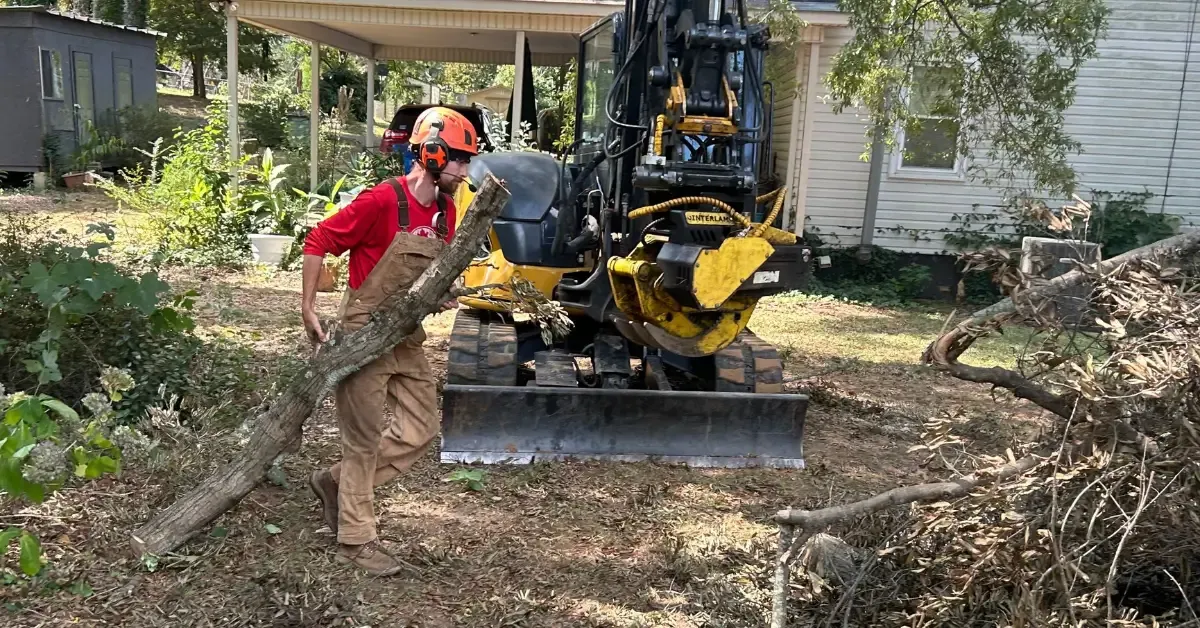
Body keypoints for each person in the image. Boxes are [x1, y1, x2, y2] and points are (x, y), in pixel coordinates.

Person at [299, 106, 478, 576]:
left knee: (420, 430)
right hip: (362, 333)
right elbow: (318, 240)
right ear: (433, 153)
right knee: (361, 443)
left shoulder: (446, 209)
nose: (464, 171)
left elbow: (429, 275)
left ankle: (335, 484)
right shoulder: (383, 200)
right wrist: (307, 307)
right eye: (459, 160)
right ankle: (355, 541)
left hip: (405, 335)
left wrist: (439, 295)